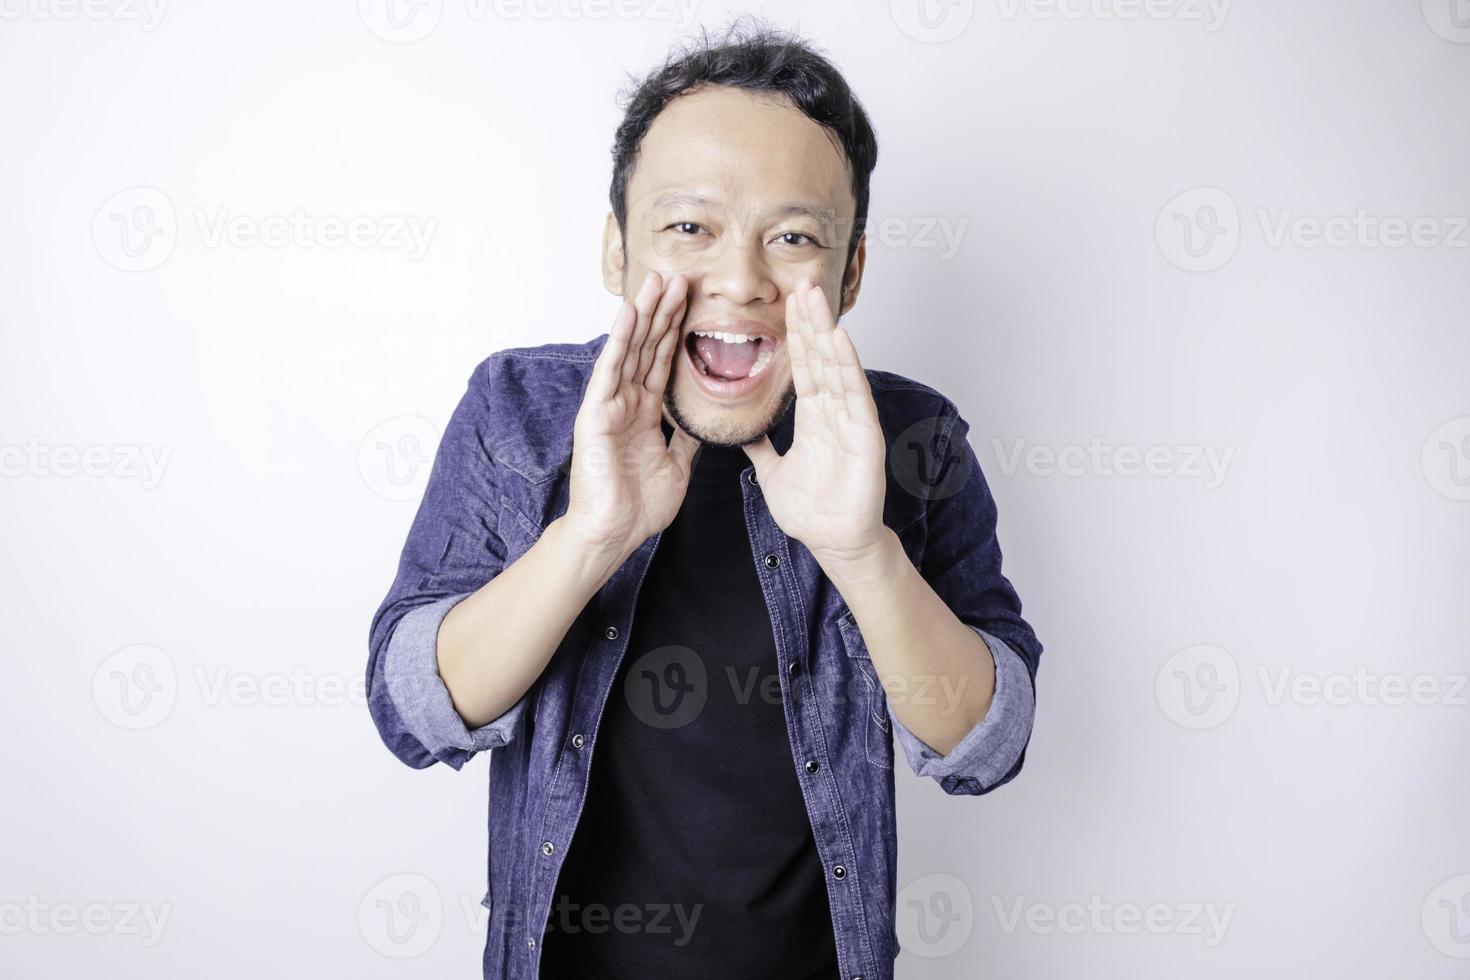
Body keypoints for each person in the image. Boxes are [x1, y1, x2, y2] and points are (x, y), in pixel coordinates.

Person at [366, 19, 1042, 980]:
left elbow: (990, 742)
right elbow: (414, 714)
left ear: (849, 272)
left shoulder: (916, 438)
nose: (739, 280)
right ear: (617, 251)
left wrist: (862, 552)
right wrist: (591, 535)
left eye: (794, 237)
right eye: (690, 227)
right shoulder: (515, 409)